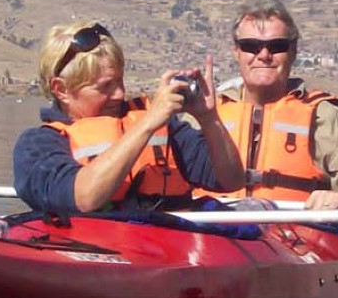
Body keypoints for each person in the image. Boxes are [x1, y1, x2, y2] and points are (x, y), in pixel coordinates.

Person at [195, 0, 338, 238]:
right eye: (250, 46)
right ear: (236, 52)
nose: (264, 54)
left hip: (295, 241)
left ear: (293, 51)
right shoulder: (202, 114)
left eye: (276, 46)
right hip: (211, 236)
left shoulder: (326, 118)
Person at [13, 21, 243, 213]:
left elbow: (231, 180)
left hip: (171, 250)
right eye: (105, 87)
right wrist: (146, 125)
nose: (120, 94)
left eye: (120, 81)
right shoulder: (37, 146)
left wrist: (208, 119)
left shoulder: (164, 127)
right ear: (61, 89)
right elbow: (85, 198)